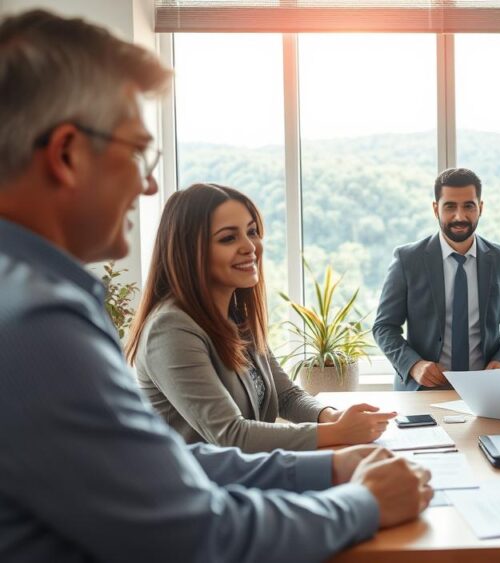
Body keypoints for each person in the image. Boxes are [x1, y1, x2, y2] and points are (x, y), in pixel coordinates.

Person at [0, 10, 430, 561]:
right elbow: (194, 532)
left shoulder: (31, 299)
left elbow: (165, 463)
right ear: (67, 154)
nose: (149, 181)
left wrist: (331, 464)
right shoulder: (39, 326)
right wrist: (362, 503)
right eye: (137, 152)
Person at [126, 183, 394, 453]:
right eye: (228, 238)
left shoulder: (235, 317)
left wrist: (330, 416)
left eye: (252, 231)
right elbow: (231, 435)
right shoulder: (171, 329)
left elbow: (286, 396)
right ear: (189, 250)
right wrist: (337, 432)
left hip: (250, 478)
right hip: (202, 488)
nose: (250, 246)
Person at [373, 167, 500, 391]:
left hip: (486, 391)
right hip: (422, 390)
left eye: (468, 206)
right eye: (450, 206)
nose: (459, 216)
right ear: (436, 209)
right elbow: (384, 327)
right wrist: (414, 365)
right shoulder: (407, 259)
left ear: (480, 208)